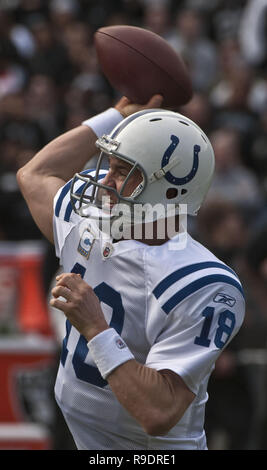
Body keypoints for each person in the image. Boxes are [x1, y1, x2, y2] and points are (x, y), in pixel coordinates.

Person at [16, 94, 245, 450]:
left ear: (168, 191)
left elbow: (159, 412)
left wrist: (96, 329)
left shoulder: (205, 283)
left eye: (122, 170)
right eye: (109, 164)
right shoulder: (93, 217)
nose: (105, 180)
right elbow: (35, 174)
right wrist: (116, 115)